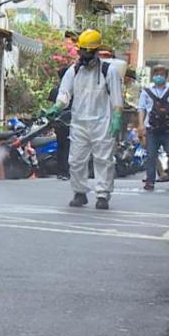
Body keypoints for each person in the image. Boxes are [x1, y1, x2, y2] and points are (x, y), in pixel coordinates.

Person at [44, 29, 124, 210]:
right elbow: (64, 94)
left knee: (103, 160)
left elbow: (116, 97)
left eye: (89, 51)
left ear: (96, 51)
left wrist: (117, 116)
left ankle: (103, 195)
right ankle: (79, 193)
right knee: (76, 160)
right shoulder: (73, 71)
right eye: (83, 51)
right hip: (79, 122)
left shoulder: (108, 71)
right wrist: (56, 107)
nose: (85, 55)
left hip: (102, 122)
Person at [138, 65, 169, 190]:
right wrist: (141, 124)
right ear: (153, 76)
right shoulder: (146, 91)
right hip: (151, 129)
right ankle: (150, 181)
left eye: (161, 74)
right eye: (156, 74)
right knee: (151, 155)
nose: (159, 76)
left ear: (166, 76)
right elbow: (141, 109)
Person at [47, 66, 72, 179]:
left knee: (60, 146)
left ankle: (60, 171)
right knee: (67, 147)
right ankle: (65, 172)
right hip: (69, 123)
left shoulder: (55, 90)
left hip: (57, 123)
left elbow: (50, 107)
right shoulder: (72, 91)